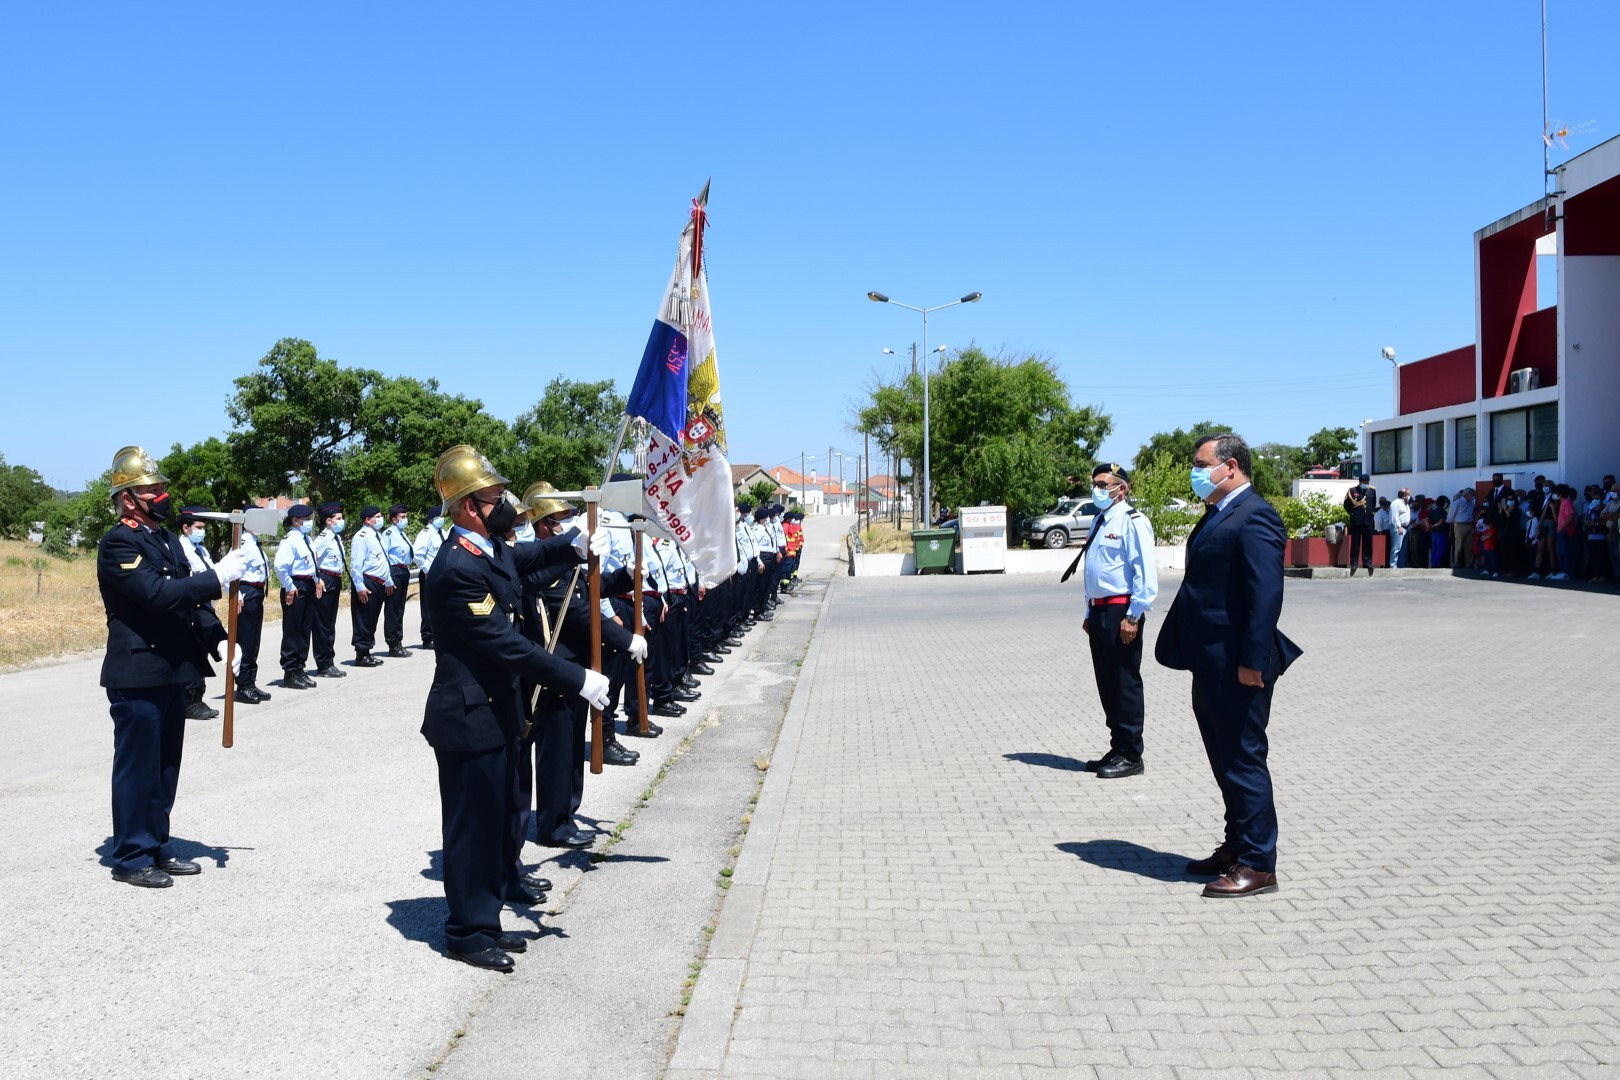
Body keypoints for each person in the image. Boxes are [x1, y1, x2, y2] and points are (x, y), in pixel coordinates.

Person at [420, 445, 610, 971]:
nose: (504, 504)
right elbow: (508, 646)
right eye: (492, 497)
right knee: (470, 828)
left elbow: (525, 558)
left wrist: (571, 546)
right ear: (465, 508)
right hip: (467, 716)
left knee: (501, 820)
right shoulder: (457, 568)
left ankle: (486, 917)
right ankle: (466, 931)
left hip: (497, 712)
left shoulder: (487, 550)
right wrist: (577, 678)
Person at [1155, 433, 1302, 899]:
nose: (1196, 473)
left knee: (1242, 759)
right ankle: (1237, 845)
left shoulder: (1256, 515)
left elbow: (1265, 596)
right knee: (1224, 759)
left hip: (1239, 665)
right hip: (1210, 661)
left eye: (1202, 464)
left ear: (1231, 466)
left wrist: (1252, 661)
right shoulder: (1218, 513)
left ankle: (1259, 864)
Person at [97, 446, 248, 888]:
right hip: (139, 670)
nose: (162, 494)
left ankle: (156, 844)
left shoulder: (164, 538)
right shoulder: (118, 542)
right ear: (129, 499)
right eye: (153, 489)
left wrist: (219, 637)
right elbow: (157, 596)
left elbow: (189, 598)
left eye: (162, 487)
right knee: (138, 766)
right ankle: (130, 855)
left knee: (165, 766)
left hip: (172, 669)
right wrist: (217, 575)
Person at [1066, 463, 1157, 779]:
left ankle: (1132, 754)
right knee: (1107, 683)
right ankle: (1118, 747)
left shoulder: (1133, 522)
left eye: (1104, 484)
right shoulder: (1099, 521)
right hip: (1101, 612)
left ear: (1122, 488)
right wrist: (1090, 613)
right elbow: (1094, 572)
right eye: (1095, 483)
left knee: (1124, 682)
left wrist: (1134, 615)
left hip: (1122, 612)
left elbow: (1144, 571)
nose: (1097, 489)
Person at [176, 506, 221, 720]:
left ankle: (197, 698)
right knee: (192, 655)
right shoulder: (180, 549)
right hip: (191, 609)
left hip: (205, 607)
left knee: (202, 652)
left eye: (204, 527)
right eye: (198, 527)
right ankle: (189, 700)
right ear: (186, 528)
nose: (202, 531)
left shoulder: (201, 550)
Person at [274, 504, 319, 689]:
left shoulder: (306, 539)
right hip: (296, 585)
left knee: (304, 629)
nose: (309, 522)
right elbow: (279, 566)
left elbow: (311, 564)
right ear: (295, 521)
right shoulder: (290, 540)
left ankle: (300, 668)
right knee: (293, 630)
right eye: (306, 519)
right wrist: (289, 587)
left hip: (308, 584)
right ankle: (290, 672)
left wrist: (317, 579)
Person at [232, 505, 273, 705]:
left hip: (257, 593)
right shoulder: (242, 542)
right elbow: (232, 573)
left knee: (254, 641)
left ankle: (250, 681)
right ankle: (243, 684)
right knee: (246, 641)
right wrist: (237, 594)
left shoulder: (254, 542)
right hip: (247, 592)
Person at [310, 502, 350, 679]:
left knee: (330, 623)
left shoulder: (335, 538)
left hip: (335, 579)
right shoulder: (322, 540)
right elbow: (311, 562)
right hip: (325, 580)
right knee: (322, 625)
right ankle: (324, 663)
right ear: (328, 521)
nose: (342, 521)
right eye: (338, 519)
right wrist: (316, 579)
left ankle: (329, 661)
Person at [348, 505, 391, 667]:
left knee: (372, 619)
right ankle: (361, 653)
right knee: (363, 619)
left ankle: (367, 650)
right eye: (377, 516)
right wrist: (359, 586)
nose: (381, 519)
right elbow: (356, 564)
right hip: (367, 581)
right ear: (368, 519)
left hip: (379, 582)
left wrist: (387, 580)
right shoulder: (362, 536)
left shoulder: (376, 535)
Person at [382, 504, 415, 657]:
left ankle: (398, 641)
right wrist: (388, 578)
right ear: (394, 519)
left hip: (403, 571)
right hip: (394, 571)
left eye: (405, 516)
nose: (405, 519)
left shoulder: (401, 533)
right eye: (402, 517)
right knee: (393, 609)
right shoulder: (389, 534)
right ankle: (393, 643)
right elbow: (384, 557)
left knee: (399, 609)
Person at [413, 504, 447, 649]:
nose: (442, 519)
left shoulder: (443, 532)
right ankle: (428, 637)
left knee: (442, 606)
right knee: (428, 606)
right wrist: (426, 570)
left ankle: (441, 634)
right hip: (430, 574)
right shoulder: (426, 534)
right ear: (432, 519)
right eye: (440, 517)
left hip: (443, 574)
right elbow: (417, 554)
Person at [1341, 475, 1377, 576]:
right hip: (1356, 521)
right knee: (1355, 543)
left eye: (1367, 482)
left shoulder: (1372, 491)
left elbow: (1372, 505)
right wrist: (1353, 514)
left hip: (1368, 521)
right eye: (1364, 482)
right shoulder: (1352, 491)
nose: (1366, 484)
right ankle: (1354, 563)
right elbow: (1346, 505)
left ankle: (1367, 562)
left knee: (1368, 543)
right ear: (1360, 482)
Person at [1449, 488, 1476, 568]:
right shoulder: (1457, 503)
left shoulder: (1471, 503)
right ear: (1467, 495)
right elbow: (1451, 515)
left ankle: (1469, 563)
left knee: (1469, 545)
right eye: (1472, 495)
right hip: (1459, 525)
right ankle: (1457, 563)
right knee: (1458, 545)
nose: (1473, 497)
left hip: (1469, 525)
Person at [1389, 489, 1411, 568]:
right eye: (1408, 495)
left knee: (1403, 548)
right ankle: (1393, 565)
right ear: (1404, 495)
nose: (1409, 497)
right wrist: (1399, 527)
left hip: (1405, 528)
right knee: (1396, 547)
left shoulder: (1406, 504)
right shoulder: (1396, 503)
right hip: (1398, 527)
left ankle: (1401, 565)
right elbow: (1394, 516)